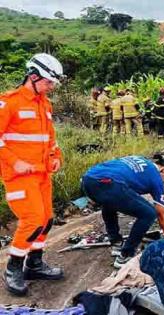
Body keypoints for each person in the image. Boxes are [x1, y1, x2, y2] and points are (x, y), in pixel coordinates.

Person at [0, 53, 64, 296]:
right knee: (32, 219)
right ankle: (13, 268)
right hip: (19, 175)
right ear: (33, 76)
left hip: (41, 173)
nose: (51, 87)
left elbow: (50, 137)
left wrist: (56, 156)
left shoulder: (44, 103)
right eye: (48, 82)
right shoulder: (9, 102)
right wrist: (14, 162)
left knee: (46, 218)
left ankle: (34, 264)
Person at [81, 155, 164, 268]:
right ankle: (125, 255)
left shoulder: (141, 160)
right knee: (148, 213)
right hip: (109, 183)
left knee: (110, 202)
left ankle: (116, 243)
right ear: (163, 170)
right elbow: (160, 212)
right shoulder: (156, 177)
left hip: (88, 180)